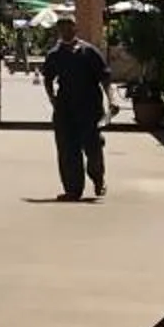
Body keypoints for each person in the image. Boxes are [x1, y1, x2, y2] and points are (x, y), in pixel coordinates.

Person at [41, 15, 112, 201]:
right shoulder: (55, 54)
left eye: (69, 26)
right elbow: (47, 78)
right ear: (59, 30)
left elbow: (104, 78)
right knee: (67, 150)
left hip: (89, 108)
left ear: (76, 28)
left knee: (93, 149)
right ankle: (73, 190)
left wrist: (111, 100)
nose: (66, 30)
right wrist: (52, 99)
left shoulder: (89, 52)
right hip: (65, 109)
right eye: (62, 27)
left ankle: (98, 178)